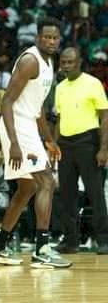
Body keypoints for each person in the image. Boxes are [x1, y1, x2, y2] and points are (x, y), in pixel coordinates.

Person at [0, 17, 71, 268]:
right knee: (45, 181)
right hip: (16, 126)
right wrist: (13, 142)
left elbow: (39, 111)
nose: (51, 41)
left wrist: (49, 140)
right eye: (47, 37)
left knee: (27, 188)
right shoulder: (30, 61)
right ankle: (42, 249)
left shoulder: (49, 64)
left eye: (55, 37)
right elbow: (6, 102)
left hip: (28, 126)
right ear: (37, 38)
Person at [54, 47, 108, 254]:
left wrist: (104, 149)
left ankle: (103, 239)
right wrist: (54, 144)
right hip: (65, 144)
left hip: (88, 141)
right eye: (63, 62)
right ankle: (71, 241)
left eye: (70, 62)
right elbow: (59, 119)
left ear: (79, 63)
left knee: (95, 193)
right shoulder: (59, 87)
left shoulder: (93, 83)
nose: (66, 65)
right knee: (66, 194)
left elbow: (104, 117)